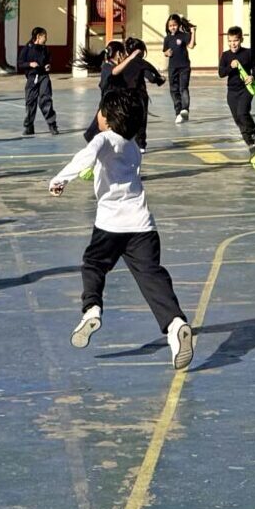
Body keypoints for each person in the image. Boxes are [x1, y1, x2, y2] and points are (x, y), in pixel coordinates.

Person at [50, 86, 195, 369]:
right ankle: (176, 325)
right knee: (151, 277)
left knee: (93, 265)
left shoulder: (104, 138)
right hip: (143, 225)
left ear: (108, 117)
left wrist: (60, 179)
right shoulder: (132, 146)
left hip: (110, 225)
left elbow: (85, 155)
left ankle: (92, 308)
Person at [218, 25, 255, 153]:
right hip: (232, 91)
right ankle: (250, 144)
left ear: (241, 40)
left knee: (242, 113)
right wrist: (230, 66)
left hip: (246, 89)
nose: (233, 44)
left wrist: (253, 76)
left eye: (235, 40)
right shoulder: (225, 55)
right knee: (238, 119)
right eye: (230, 41)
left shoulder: (248, 53)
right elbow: (221, 73)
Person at [17, 27, 59, 135]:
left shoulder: (45, 48)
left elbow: (49, 59)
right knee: (30, 102)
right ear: (38, 37)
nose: (46, 38)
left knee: (46, 99)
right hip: (32, 78)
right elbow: (20, 63)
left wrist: (48, 65)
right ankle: (29, 126)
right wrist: (30, 64)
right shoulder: (27, 48)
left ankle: (52, 124)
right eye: (44, 36)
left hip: (43, 76)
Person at [163, 15, 194, 125]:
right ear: (168, 27)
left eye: (174, 25)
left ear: (179, 25)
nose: (172, 27)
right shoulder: (167, 38)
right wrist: (167, 53)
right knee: (174, 90)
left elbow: (191, 46)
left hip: (184, 67)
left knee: (183, 88)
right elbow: (165, 52)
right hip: (172, 68)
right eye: (170, 25)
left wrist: (193, 33)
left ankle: (185, 109)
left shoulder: (184, 36)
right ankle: (178, 112)